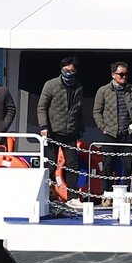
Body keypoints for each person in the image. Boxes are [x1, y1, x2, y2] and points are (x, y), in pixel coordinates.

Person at [38, 55, 88, 191]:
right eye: (66, 70)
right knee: (50, 164)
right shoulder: (50, 85)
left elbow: (79, 110)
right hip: (52, 131)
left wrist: (80, 128)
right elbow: (41, 107)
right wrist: (44, 126)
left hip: (70, 132)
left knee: (73, 165)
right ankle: (48, 193)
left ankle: (72, 196)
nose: (68, 73)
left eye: (71, 71)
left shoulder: (78, 87)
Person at [94, 60, 132, 189]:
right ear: (113, 75)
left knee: (129, 166)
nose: (124, 77)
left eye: (126, 74)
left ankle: (128, 194)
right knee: (107, 166)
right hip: (110, 133)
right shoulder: (103, 91)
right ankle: (107, 195)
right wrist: (103, 127)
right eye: (121, 74)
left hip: (128, 134)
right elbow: (97, 112)